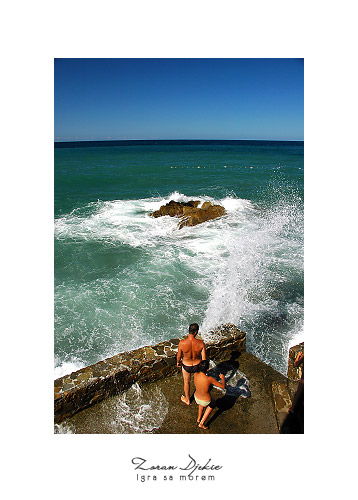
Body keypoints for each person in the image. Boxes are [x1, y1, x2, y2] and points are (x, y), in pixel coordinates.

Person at [177, 323, 206, 405]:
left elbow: (179, 355)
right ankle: (200, 395)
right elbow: (204, 359)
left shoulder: (182, 343)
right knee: (199, 380)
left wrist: (178, 362)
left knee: (186, 382)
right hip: (197, 365)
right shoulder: (201, 343)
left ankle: (187, 399)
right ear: (196, 332)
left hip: (187, 365)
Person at [193, 360, 226, 429]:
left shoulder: (195, 374)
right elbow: (222, 386)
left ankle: (199, 418)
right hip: (205, 400)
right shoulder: (209, 379)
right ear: (207, 369)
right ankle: (201, 423)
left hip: (196, 397)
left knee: (201, 404)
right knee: (213, 404)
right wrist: (223, 378)